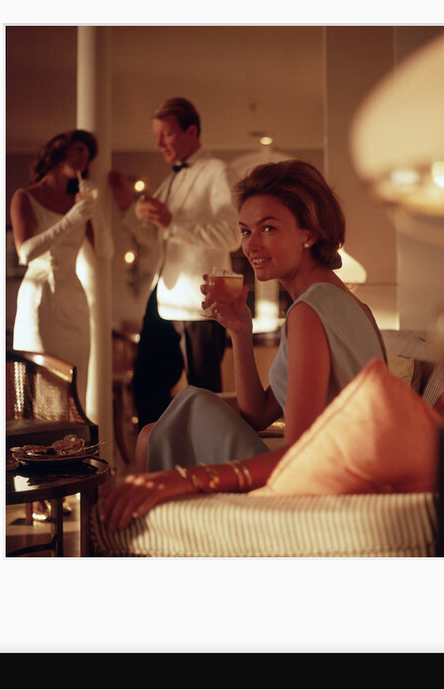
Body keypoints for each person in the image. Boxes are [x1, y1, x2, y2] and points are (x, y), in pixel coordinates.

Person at [98, 159, 388, 531]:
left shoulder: (308, 312)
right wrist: (240, 331)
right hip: (335, 475)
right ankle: (160, 528)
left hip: (320, 491)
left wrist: (187, 479)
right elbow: (258, 414)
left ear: (309, 233)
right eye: (246, 231)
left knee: (179, 414)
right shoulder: (351, 305)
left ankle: (156, 532)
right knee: (156, 432)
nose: (252, 245)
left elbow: (297, 456)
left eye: (268, 228)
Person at [109, 97, 241, 430]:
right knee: (146, 385)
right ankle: (161, 458)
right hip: (164, 296)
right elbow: (156, 239)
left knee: (204, 392)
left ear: (191, 131)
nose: (158, 144)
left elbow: (232, 235)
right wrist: (128, 207)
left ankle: (208, 468)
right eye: (157, 135)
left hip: (201, 299)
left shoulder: (218, 172)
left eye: (165, 134)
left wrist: (171, 222)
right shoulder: (170, 181)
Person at [10, 128, 114, 414]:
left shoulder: (79, 201)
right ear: (58, 150)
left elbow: (106, 251)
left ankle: (73, 450)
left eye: (88, 155)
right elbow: (26, 253)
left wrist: (97, 208)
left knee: (74, 383)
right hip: (39, 297)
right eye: (79, 150)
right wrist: (70, 220)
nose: (84, 159)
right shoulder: (25, 197)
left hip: (73, 300)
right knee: (40, 379)